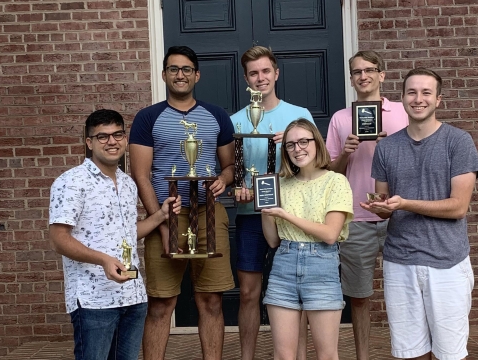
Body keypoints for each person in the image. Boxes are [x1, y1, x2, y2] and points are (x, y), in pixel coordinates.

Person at [362, 68, 478, 360]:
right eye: (412, 92)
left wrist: (403, 204)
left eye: (426, 92)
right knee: (409, 353)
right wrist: (380, 208)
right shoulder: (387, 148)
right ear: (402, 98)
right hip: (399, 261)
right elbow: (385, 207)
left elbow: (458, 207)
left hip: (447, 262)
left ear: (438, 99)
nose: (419, 99)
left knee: (450, 354)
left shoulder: (458, 141)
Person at [129, 45, 236, 360]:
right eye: (173, 69)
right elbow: (141, 175)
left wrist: (224, 179)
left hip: (208, 215)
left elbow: (229, 166)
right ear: (164, 75)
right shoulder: (148, 117)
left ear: (197, 75)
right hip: (165, 214)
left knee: (211, 300)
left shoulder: (216, 116)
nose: (180, 74)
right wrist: (160, 225)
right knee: (161, 303)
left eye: (186, 69)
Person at [48, 109, 181, 360]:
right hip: (93, 300)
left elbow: (129, 234)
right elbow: (58, 238)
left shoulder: (128, 183)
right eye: (102, 136)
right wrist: (103, 260)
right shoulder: (71, 182)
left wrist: (161, 215)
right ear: (89, 142)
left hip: (132, 295)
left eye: (118, 134)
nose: (112, 141)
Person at [230, 45, 314, 360]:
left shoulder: (299, 115)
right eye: (254, 73)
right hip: (252, 216)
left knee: (297, 293)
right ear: (246, 79)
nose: (260, 78)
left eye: (266, 71)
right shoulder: (236, 122)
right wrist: (239, 188)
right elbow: (232, 171)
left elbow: (315, 166)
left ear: (276, 73)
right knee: (249, 293)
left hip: (294, 216)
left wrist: (292, 141)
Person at [325, 50, 408, 360]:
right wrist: (346, 152)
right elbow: (329, 173)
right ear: (351, 79)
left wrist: (394, 148)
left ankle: (407, 353)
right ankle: (363, 357)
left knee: (405, 292)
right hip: (357, 215)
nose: (363, 76)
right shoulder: (340, 119)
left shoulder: (402, 112)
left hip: (400, 214)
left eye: (370, 70)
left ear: (382, 75)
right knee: (359, 296)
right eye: (357, 72)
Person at [260, 119, 354, 360]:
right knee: (283, 354)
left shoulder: (336, 181)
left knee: (326, 354)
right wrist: (266, 212)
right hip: (284, 265)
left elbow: (330, 234)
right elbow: (272, 241)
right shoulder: (280, 184)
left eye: (303, 141)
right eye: (290, 145)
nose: (297, 149)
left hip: (321, 266)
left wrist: (284, 214)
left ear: (316, 143)